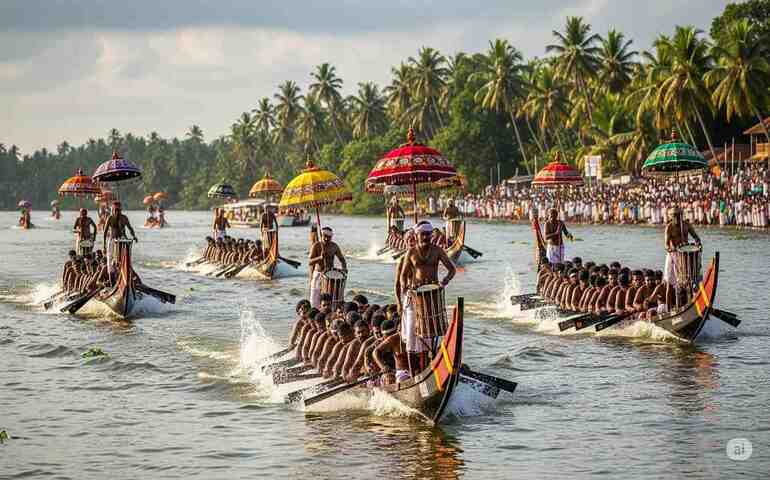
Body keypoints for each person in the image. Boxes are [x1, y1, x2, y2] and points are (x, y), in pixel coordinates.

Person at [399, 221, 456, 365]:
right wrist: (405, 288)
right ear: (416, 235)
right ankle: (414, 366)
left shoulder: (438, 251)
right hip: (415, 296)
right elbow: (403, 276)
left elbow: (452, 270)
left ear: (431, 235)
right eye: (422, 234)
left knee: (433, 330)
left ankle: (434, 359)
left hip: (433, 295)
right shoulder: (410, 252)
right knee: (413, 331)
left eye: (428, 234)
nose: (426, 237)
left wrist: (445, 281)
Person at [664, 206, 702, 303]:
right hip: (673, 256)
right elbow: (666, 245)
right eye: (675, 215)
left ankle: (693, 302)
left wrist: (698, 244)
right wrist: (672, 249)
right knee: (670, 284)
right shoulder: (669, 227)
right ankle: (669, 308)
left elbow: (696, 238)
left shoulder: (686, 225)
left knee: (689, 282)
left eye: (679, 215)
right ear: (671, 216)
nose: (678, 217)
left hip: (686, 255)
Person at [308, 227, 347, 308]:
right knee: (314, 301)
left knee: (331, 300)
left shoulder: (334, 246)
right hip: (318, 274)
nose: (326, 238)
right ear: (321, 235)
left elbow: (342, 259)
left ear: (331, 237)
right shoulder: (316, 245)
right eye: (324, 236)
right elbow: (310, 262)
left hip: (329, 275)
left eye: (328, 237)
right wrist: (320, 258)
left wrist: (344, 269)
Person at [103, 201, 138, 276]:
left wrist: (134, 236)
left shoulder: (124, 218)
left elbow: (130, 228)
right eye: (115, 210)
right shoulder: (110, 218)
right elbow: (105, 232)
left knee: (125, 256)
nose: (117, 212)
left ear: (121, 210)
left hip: (122, 240)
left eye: (119, 210)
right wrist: (104, 245)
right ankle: (111, 275)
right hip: (112, 240)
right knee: (110, 257)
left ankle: (126, 272)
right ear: (112, 209)